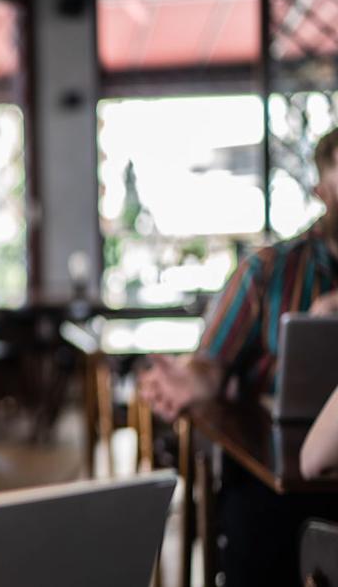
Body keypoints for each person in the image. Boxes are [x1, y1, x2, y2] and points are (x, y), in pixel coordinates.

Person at [139, 128, 338, 587]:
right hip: (275, 475)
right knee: (256, 525)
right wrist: (191, 382)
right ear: (322, 193)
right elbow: (211, 365)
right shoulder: (267, 273)